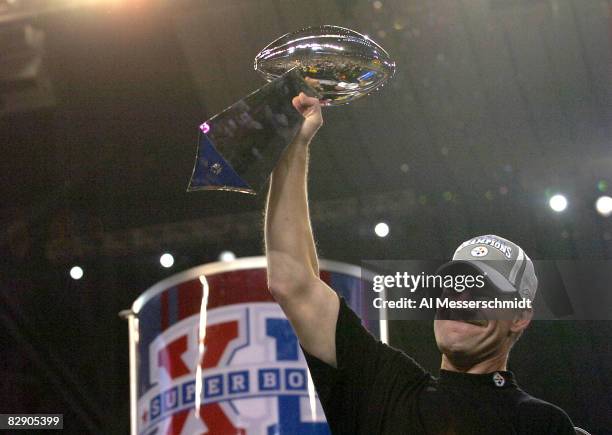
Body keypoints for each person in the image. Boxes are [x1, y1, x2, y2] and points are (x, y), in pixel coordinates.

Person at [264, 92, 576, 434]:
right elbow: (292, 282)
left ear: (519, 317)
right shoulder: (383, 389)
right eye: (455, 286)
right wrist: (295, 143)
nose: (462, 301)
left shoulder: (541, 425)